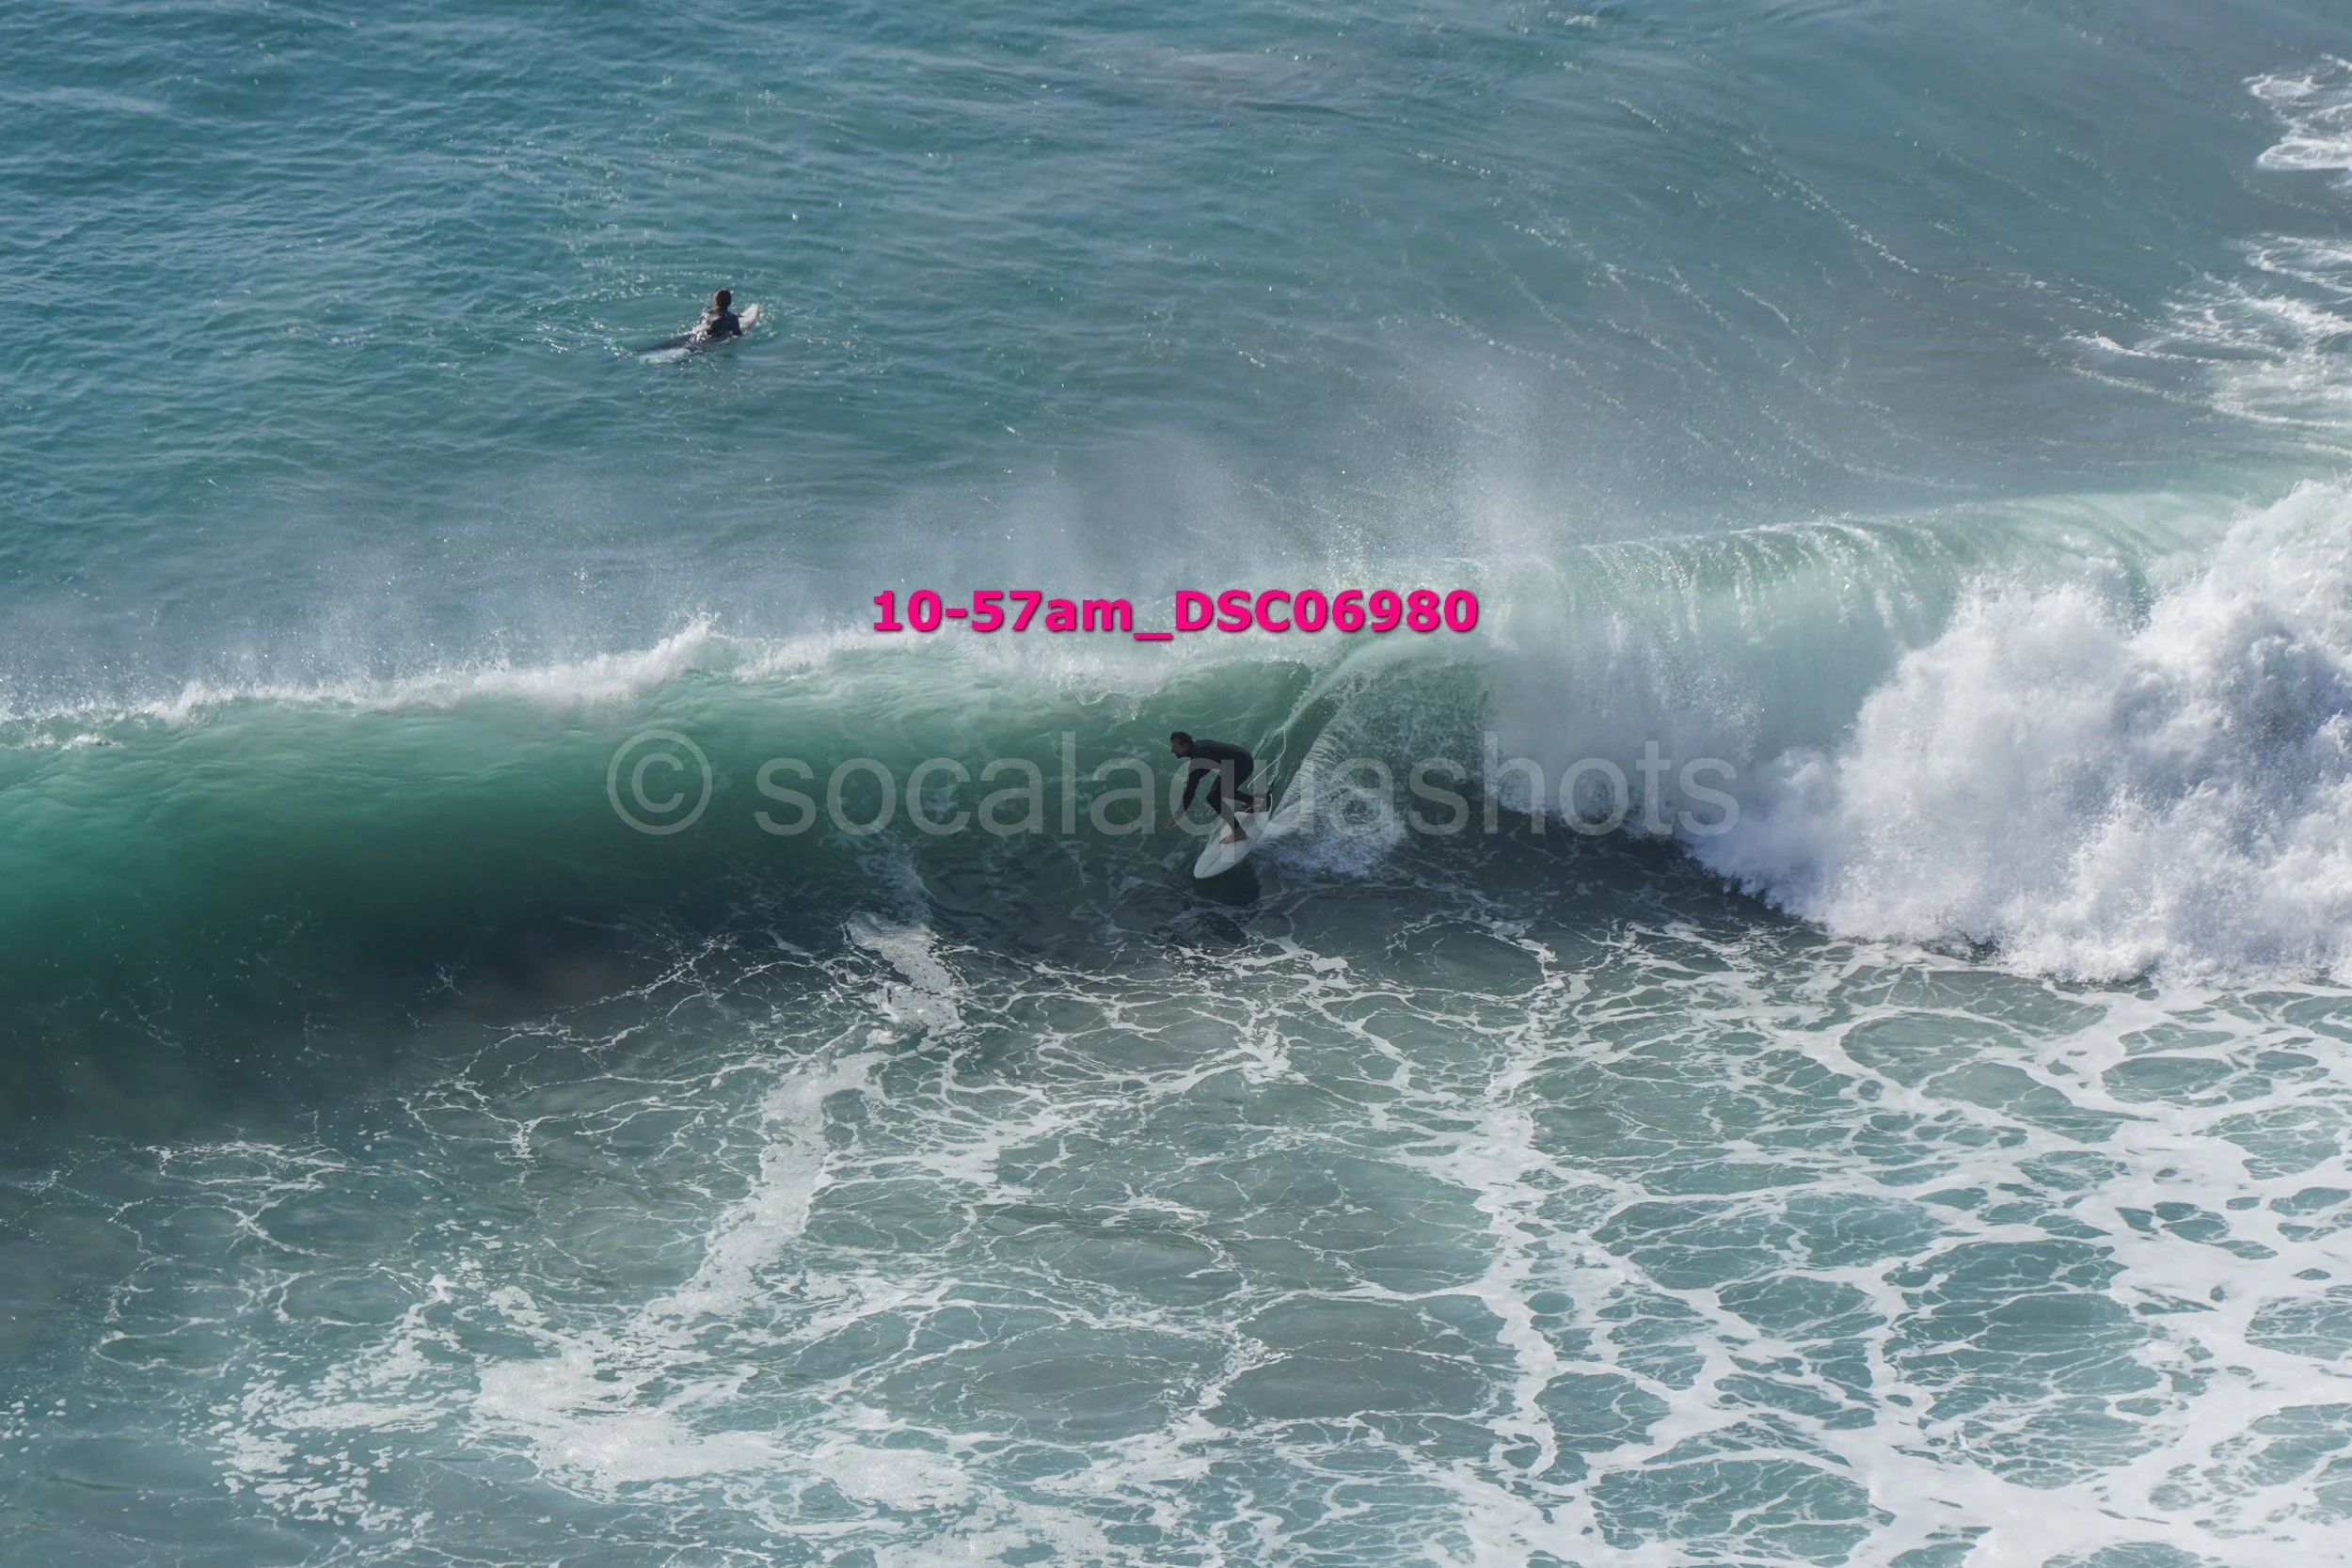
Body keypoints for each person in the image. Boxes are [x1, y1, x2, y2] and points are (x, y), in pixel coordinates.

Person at [1167, 732, 1269, 844]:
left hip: (1242, 764)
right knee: (1220, 791)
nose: (1172, 750)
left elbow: (1190, 792)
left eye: (1174, 747)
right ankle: (1253, 802)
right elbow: (1208, 763)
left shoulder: (1197, 759)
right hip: (1240, 759)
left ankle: (1238, 832)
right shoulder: (1198, 745)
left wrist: (1178, 814)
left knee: (1213, 797)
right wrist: (1193, 776)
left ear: (1185, 746)